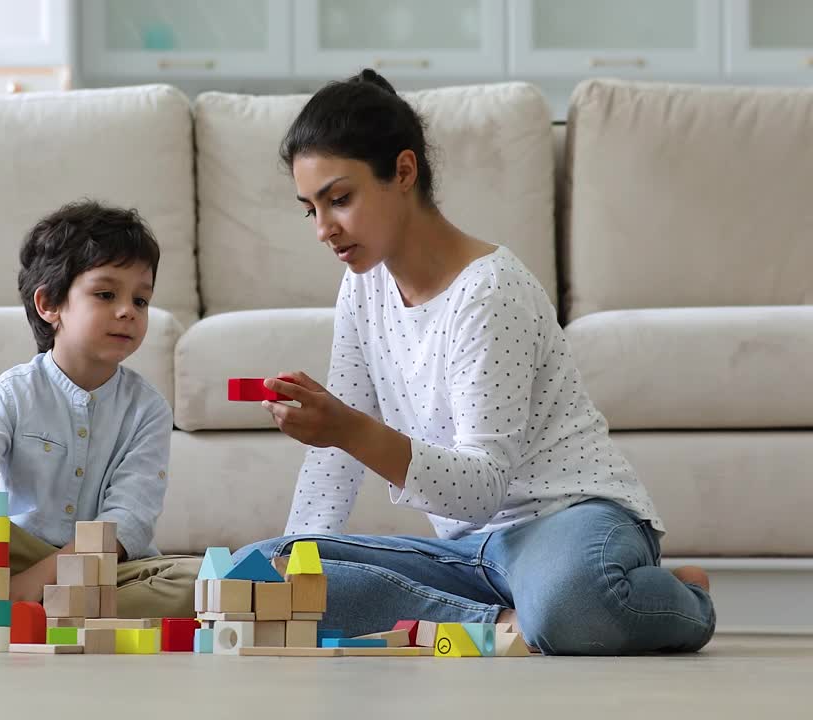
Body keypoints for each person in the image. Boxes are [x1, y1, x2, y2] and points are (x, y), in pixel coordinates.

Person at [234, 69, 715, 655]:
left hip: (567, 523)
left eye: (340, 199)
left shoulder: (491, 291)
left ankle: (678, 596)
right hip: (469, 555)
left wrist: (346, 427)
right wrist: (299, 568)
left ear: (403, 172)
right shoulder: (362, 288)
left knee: (572, 603)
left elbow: (481, 487)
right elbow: (333, 465)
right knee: (258, 569)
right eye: (310, 208)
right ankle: (509, 624)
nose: (323, 229)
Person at [0, 200, 197, 648]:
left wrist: (34, 584)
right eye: (106, 294)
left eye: (141, 299)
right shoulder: (11, 393)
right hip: (3, 556)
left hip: (96, 568)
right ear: (50, 303)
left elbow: (127, 521)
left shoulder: (148, 409)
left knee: (195, 581)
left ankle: (3, 622)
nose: (128, 310)